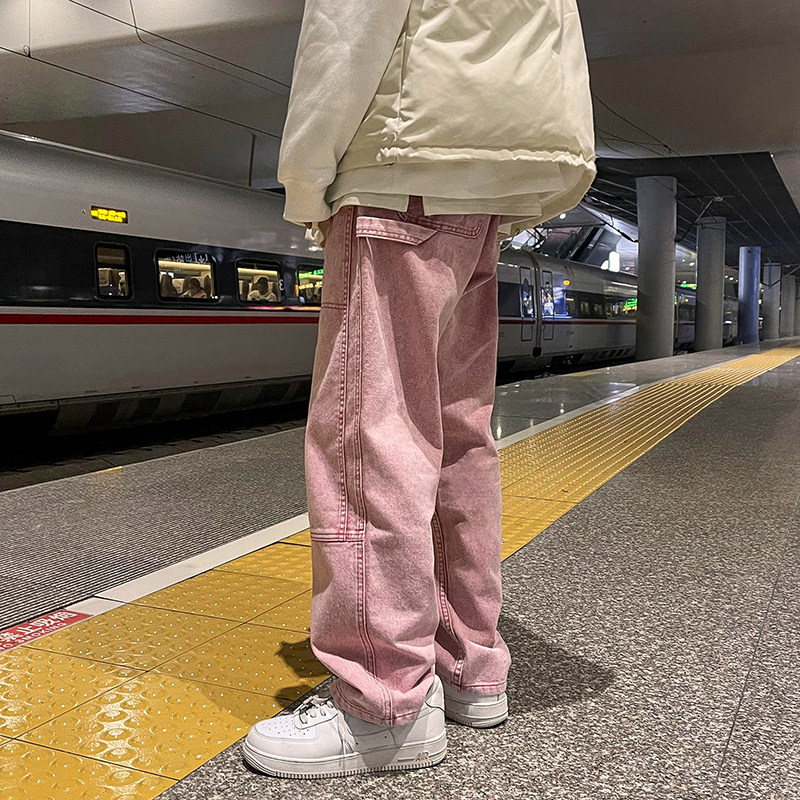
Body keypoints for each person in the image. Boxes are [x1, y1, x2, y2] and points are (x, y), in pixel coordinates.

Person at [243, 0, 596, 780]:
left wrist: (307, 182)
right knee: (457, 434)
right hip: (485, 179)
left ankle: (384, 704)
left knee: (371, 434)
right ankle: (470, 668)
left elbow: (345, 29)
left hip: (401, 166)